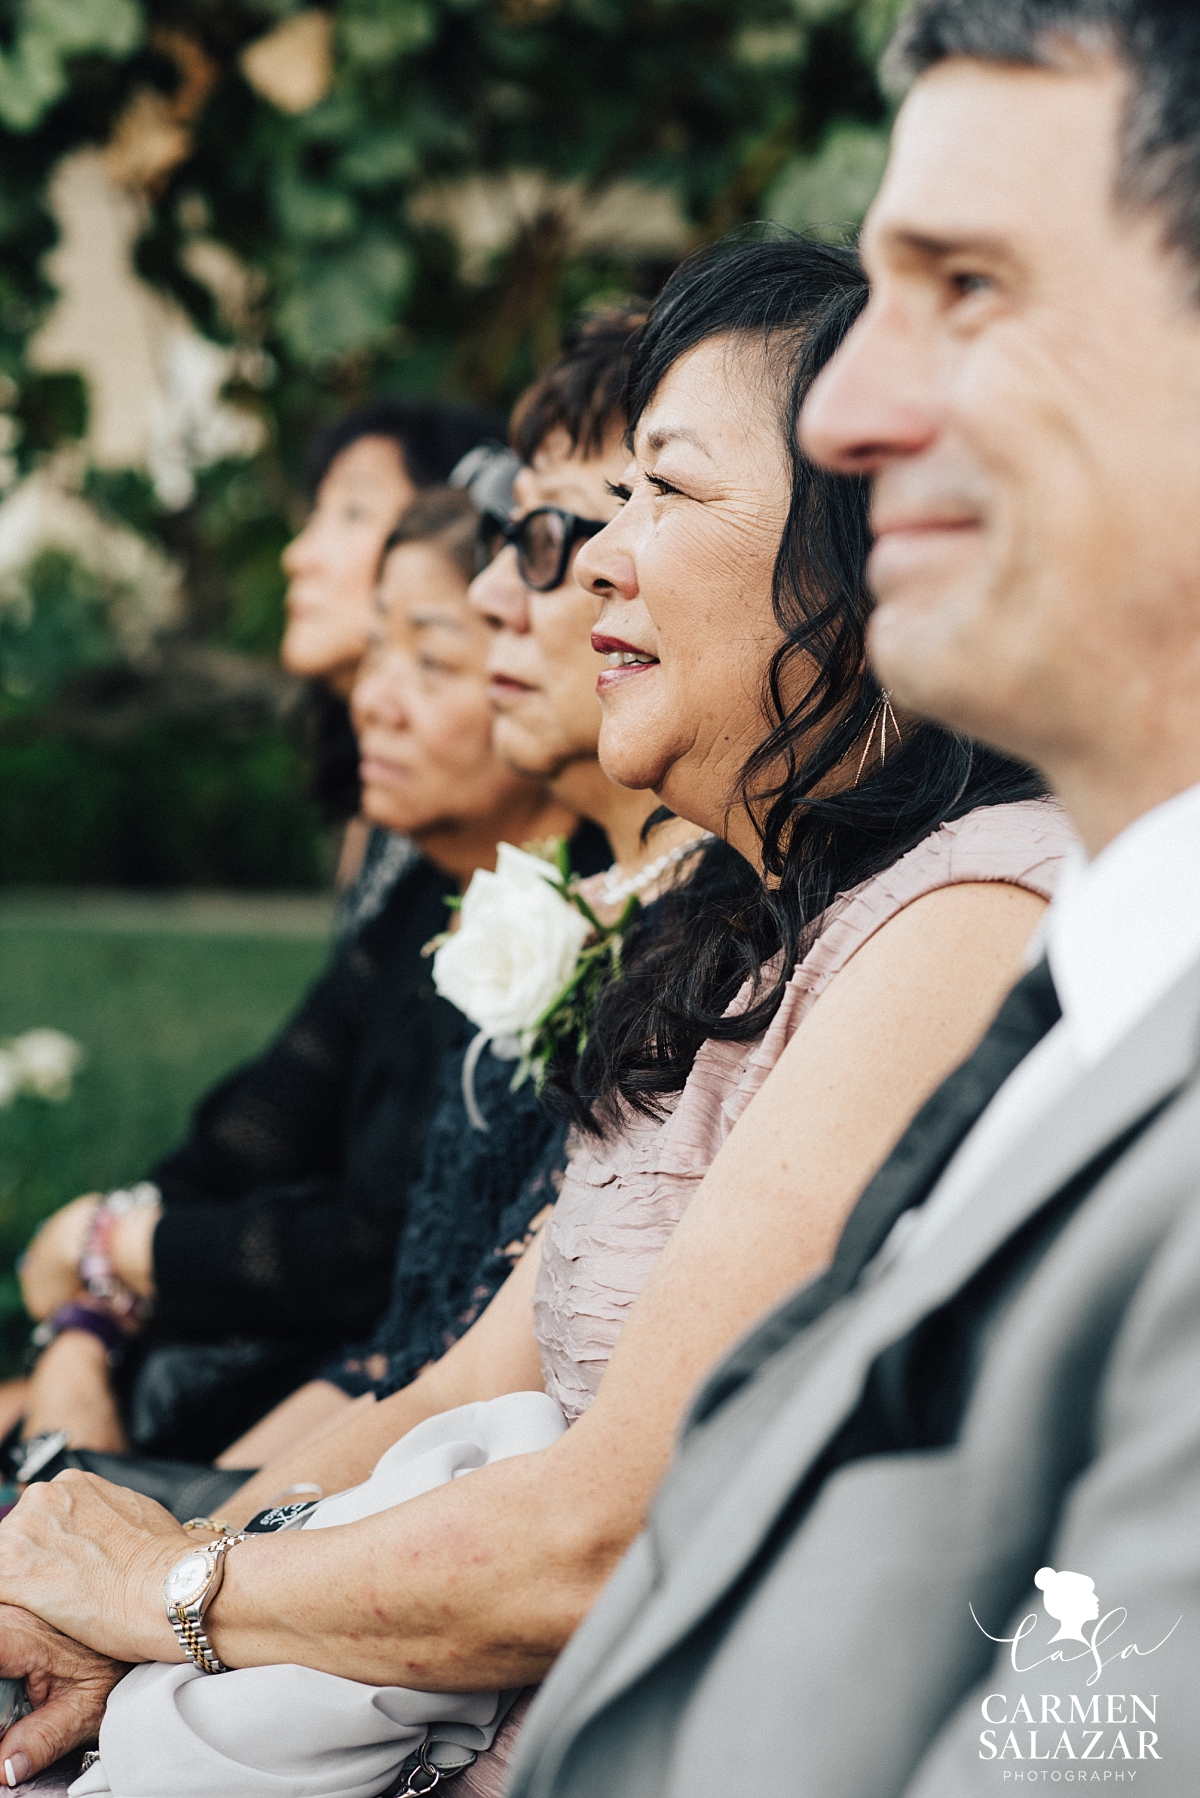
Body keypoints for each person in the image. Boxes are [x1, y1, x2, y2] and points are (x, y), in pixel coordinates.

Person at [0, 236, 1075, 1791]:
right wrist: (121, 1613)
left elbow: (607, 1525)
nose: (590, 566)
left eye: (666, 492)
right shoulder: (747, 926)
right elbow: (454, 1385)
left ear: (870, 559)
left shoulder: (973, 917)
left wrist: (170, 1596)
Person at [489, 5, 1200, 1794]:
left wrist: (184, 1593)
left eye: (968, 287)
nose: (861, 417)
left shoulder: (996, 932)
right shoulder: (1097, 986)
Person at [11, 487, 579, 1470]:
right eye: (374, 652)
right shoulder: (422, 901)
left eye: (433, 661)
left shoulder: (575, 943)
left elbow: (374, 1251)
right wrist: (84, 1328)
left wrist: (109, 1247)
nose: (372, 698)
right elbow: (242, 1141)